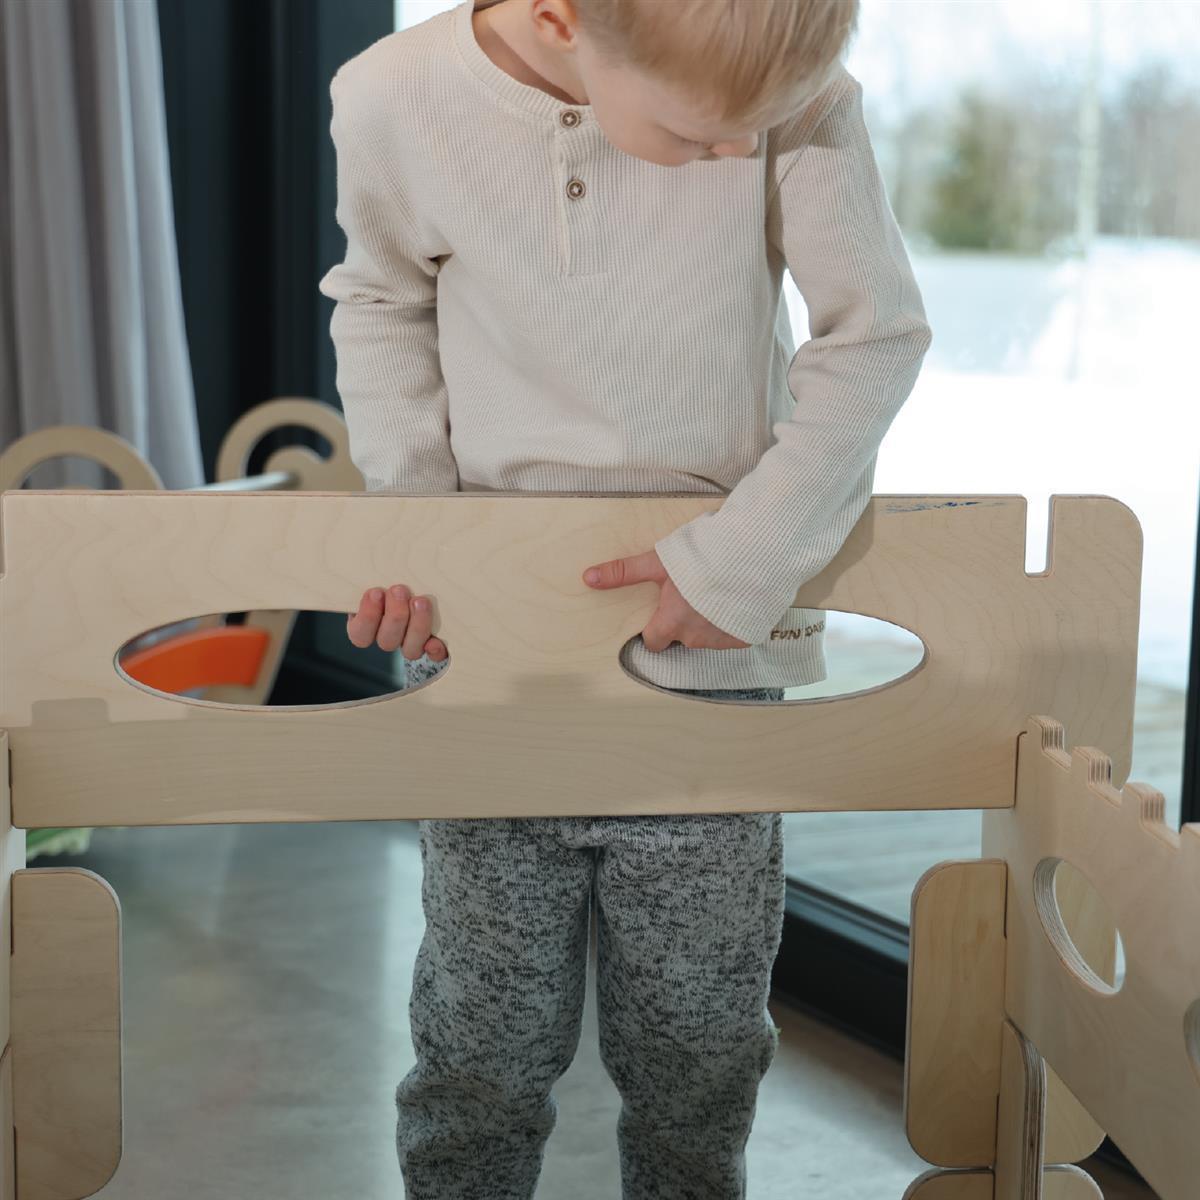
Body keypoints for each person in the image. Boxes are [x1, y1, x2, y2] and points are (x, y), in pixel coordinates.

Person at [322, 1, 931, 1195]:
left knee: (699, 1052)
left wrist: (745, 561)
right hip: (488, 664)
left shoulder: (794, 92)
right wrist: (414, 531)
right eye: (702, 135)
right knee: (479, 1048)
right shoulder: (392, 94)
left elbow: (875, 338)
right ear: (560, 20)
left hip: (709, 672)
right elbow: (382, 302)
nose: (726, 157)